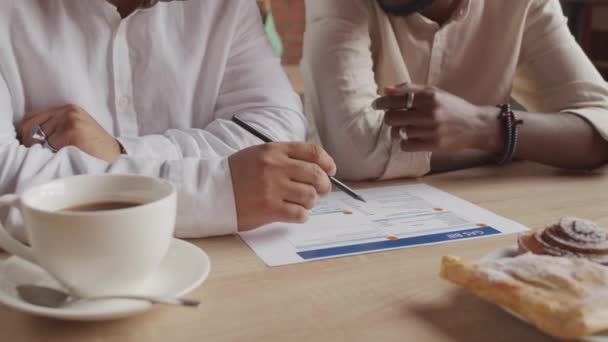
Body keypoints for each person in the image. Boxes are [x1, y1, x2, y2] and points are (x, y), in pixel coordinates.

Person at [0, 0, 337, 240]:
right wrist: (214, 191)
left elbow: (273, 131)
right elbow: (5, 178)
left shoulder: (225, 6)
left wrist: (119, 152)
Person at [302, 0, 608, 181]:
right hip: (354, 224)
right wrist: (518, 144)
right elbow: (354, 154)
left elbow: (601, 126)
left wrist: (486, 127)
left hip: (482, 210)